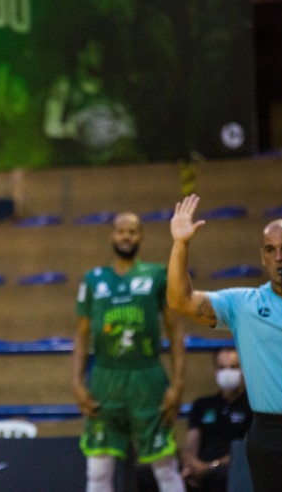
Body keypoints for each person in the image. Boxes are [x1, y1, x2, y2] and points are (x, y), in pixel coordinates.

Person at [167, 193, 282, 491]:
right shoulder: (243, 304)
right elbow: (180, 301)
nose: (279, 257)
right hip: (269, 433)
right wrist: (180, 244)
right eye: (270, 250)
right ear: (262, 257)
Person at [72, 211, 186, 492]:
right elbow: (81, 335)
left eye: (133, 231)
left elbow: (175, 331)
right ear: (112, 235)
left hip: (147, 377)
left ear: (141, 236)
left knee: (165, 466)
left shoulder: (157, 275)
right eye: (121, 230)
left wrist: (178, 382)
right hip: (105, 378)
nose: (126, 236)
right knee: (98, 471)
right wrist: (76, 382)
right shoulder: (93, 279)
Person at [180, 347, 251, 492]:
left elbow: (245, 451)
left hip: (227, 468)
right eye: (222, 368)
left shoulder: (251, 407)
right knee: (147, 473)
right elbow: (190, 445)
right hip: (200, 467)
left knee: (221, 476)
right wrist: (191, 465)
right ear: (215, 371)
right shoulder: (202, 404)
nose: (228, 372)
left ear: (243, 370)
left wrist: (210, 467)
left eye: (233, 367)